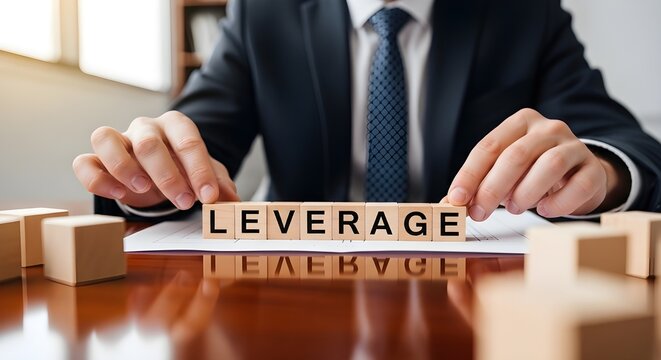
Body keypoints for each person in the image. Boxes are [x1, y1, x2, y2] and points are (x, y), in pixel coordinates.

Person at [73, 0, 661, 222]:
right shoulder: (262, 14)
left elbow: (625, 147)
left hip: (474, 286)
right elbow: (195, 141)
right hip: (294, 289)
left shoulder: (524, 15)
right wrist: (152, 177)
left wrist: (602, 174)